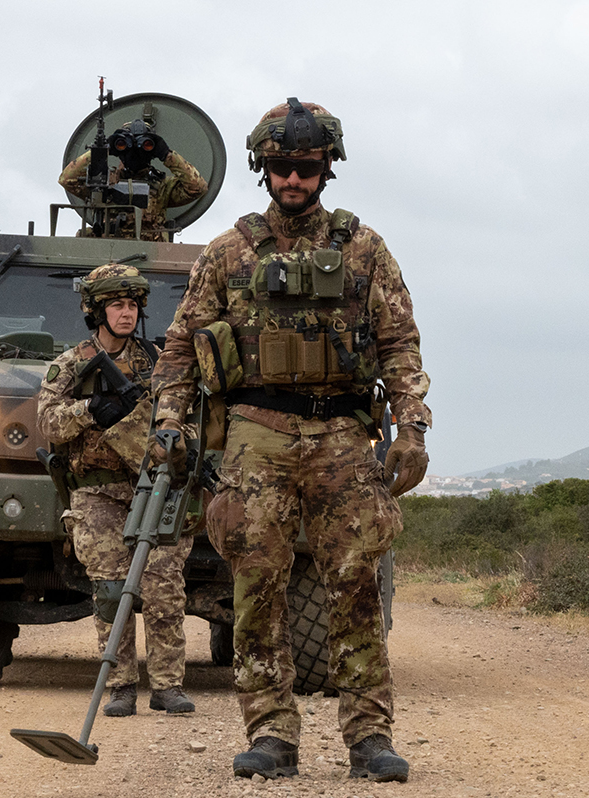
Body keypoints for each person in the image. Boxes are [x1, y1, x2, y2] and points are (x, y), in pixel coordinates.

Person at [150, 98, 431, 783]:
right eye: (281, 167)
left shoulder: (364, 249)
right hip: (256, 433)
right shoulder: (227, 252)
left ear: (326, 167)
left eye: (306, 167)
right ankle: (271, 732)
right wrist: (169, 423)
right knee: (257, 586)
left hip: (342, 432)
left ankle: (369, 736)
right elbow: (182, 350)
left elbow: (398, 343)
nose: (294, 180)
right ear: (263, 170)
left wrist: (412, 426)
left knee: (355, 582)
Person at [36, 263, 195, 717]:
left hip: (153, 487)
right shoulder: (71, 364)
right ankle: (121, 685)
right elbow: (47, 421)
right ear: (96, 311)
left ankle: (167, 685)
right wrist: (91, 408)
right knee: (110, 589)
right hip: (98, 492)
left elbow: (182, 407)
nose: (126, 314)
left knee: (164, 586)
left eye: (131, 305)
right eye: (116, 305)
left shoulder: (158, 360)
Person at [58, 120, 208, 242]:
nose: (135, 153)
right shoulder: (102, 183)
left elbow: (198, 187)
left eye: (146, 145)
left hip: (148, 252)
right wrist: (102, 150)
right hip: (107, 249)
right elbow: (67, 179)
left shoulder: (163, 187)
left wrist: (167, 155)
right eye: (124, 145)